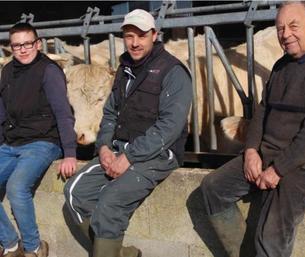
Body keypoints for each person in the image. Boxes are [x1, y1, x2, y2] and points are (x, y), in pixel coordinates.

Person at [201, 1, 305, 257]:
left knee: (270, 233)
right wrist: (250, 150)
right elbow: (263, 111)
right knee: (213, 189)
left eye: (294, 26)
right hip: (270, 155)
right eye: (280, 28)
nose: (285, 34)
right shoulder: (282, 66)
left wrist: (278, 169)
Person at [63, 9, 192, 257]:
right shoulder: (124, 69)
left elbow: (169, 127)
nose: (134, 42)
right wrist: (103, 147)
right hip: (120, 147)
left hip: (160, 153)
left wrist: (129, 157)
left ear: (154, 35)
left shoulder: (172, 71)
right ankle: (117, 253)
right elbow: (110, 113)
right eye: (129, 35)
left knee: (110, 204)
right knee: (74, 192)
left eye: (141, 36)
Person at [0, 23, 77, 257]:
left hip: (43, 142)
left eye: (27, 44)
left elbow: (63, 113)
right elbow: (2, 112)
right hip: (11, 142)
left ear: (38, 44)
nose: (22, 50)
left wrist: (70, 153)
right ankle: (11, 244)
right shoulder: (7, 71)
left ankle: (34, 248)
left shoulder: (49, 71)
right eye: (17, 45)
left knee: (16, 188)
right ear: (11, 48)